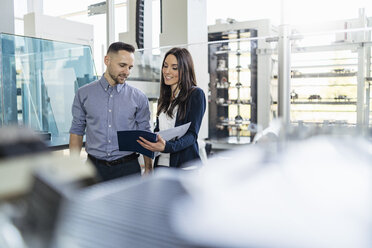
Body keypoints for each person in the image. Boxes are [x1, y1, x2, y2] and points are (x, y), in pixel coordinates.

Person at [69, 42, 152, 181]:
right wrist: (73, 168)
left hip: (128, 169)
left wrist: (149, 168)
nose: (127, 72)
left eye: (130, 67)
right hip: (93, 169)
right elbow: (77, 131)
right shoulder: (83, 94)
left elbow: (146, 134)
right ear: (107, 60)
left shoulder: (139, 98)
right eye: (122, 65)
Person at [137, 47, 206, 169]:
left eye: (174, 68)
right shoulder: (164, 98)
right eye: (165, 66)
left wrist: (167, 147)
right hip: (161, 164)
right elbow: (160, 130)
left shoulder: (196, 94)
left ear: (185, 69)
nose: (167, 71)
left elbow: (192, 135)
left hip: (184, 166)